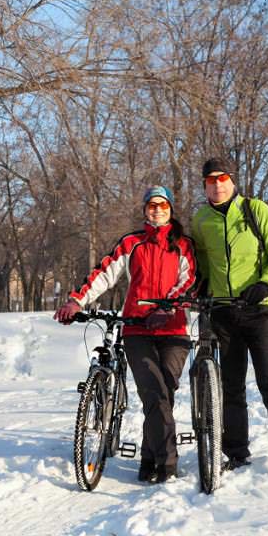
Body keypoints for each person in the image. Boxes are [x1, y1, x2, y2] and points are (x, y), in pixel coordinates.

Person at [55, 186, 196, 483]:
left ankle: (149, 458)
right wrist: (76, 301)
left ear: (171, 209)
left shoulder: (183, 245)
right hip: (137, 328)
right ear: (145, 210)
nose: (157, 210)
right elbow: (104, 274)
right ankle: (167, 464)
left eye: (163, 205)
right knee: (152, 392)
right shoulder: (132, 243)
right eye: (151, 205)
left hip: (173, 330)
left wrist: (168, 309)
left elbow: (189, 281)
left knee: (163, 393)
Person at [190, 157, 268, 476]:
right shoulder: (201, 220)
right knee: (230, 388)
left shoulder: (256, 210)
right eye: (210, 180)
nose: (217, 184)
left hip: (260, 310)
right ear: (204, 185)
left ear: (232, 180)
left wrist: (265, 282)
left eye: (222, 177)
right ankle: (236, 453)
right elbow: (199, 263)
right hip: (223, 312)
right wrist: (198, 290)